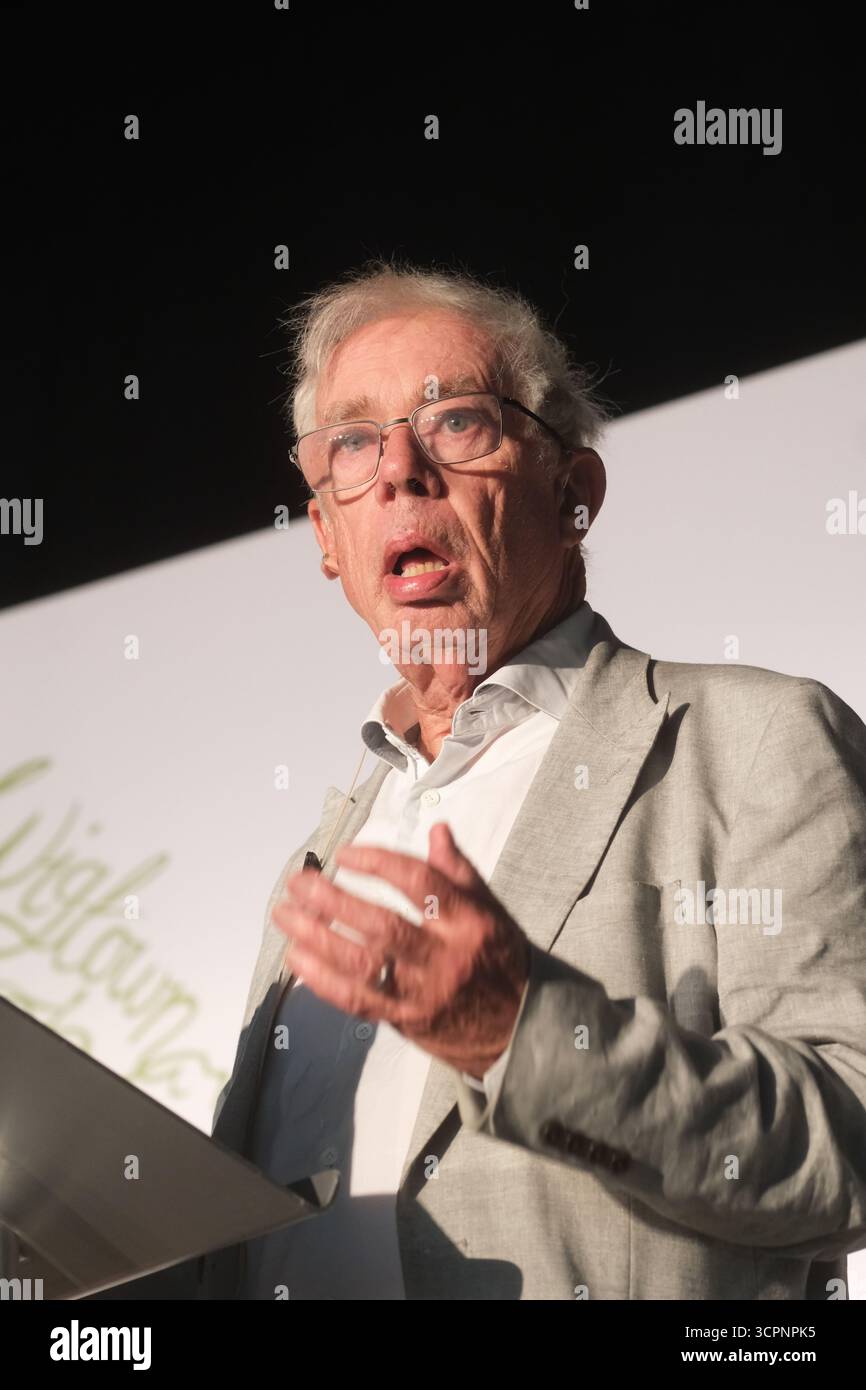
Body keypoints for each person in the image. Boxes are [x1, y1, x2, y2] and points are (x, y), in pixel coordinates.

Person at [201, 259, 866, 1300]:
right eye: (352, 445)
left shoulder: (750, 740)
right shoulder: (322, 855)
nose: (401, 472)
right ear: (326, 535)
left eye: (457, 421)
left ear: (572, 493)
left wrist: (522, 1034)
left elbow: (849, 1146)